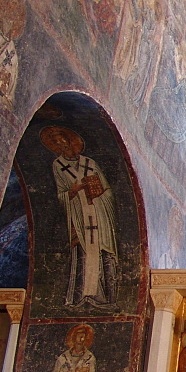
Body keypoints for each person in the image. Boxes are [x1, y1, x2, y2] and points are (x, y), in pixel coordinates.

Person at [40, 125, 118, 310]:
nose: (62, 145)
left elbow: (107, 191)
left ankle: (105, 298)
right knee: (82, 255)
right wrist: (72, 192)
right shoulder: (58, 166)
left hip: (98, 214)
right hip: (78, 215)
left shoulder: (89, 163)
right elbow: (60, 194)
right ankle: (79, 297)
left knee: (103, 254)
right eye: (57, 143)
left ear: (70, 141)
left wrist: (97, 195)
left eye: (64, 141)